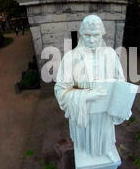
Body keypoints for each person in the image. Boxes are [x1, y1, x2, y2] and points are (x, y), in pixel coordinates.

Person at [54, 15, 131, 160]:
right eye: (87, 35)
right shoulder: (70, 58)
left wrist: (123, 104)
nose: (92, 40)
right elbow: (60, 90)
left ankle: (104, 148)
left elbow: (120, 82)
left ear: (102, 34)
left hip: (104, 114)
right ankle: (84, 150)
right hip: (84, 112)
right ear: (81, 34)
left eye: (95, 35)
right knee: (84, 142)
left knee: (103, 138)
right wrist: (87, 95)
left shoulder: (111, 55)